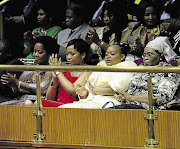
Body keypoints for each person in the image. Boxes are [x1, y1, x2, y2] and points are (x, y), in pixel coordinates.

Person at [58, 44, 137, 109]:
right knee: (62, 109)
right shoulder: (100, 67)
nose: (108, 56)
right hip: (90, 101)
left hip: (110, 102)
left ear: (122, 57)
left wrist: (91, 89)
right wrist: (85, 93)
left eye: (112, 54)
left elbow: (114, 88)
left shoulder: (128, 66)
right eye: (106, 54)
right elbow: (86, 89)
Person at [115, 36, 179, 110]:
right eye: (144, 55)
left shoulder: (169, 72)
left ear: (160, 55)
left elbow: (161, 98)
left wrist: (132, 98)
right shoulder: (141, 68)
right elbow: (131, 92)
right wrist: (124, 97)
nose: (145, 58)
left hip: (151, 110)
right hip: (131, 106)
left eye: (149, 54)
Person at [27, 39, 91, 107]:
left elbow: (73, 91)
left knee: (38, 104)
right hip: (58, 104)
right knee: (28, 103)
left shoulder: (88, 71)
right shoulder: (64, 70)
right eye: (67, 54)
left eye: (72, 54)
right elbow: (49, 98)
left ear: (83, 55)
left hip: (73, 105)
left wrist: (58, 71)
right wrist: (54, 79)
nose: (68, 57)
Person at [0, 36, 59, 105]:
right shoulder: (30, 67)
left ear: (50, 54)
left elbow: (43, 89)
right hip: (19, 99)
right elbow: (19, 89)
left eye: (39, 52)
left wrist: (18, 83)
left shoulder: (52, 70)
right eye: (34, 51)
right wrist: (14, 86)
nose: (35, 55)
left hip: (36, 101)